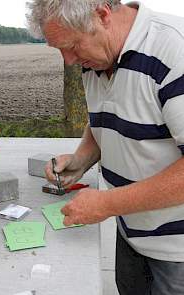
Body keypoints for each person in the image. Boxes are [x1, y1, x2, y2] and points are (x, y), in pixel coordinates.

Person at [26, 1, 184, 294]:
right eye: (59, 50)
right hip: (130, 231)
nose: (69, 60)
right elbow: (108, 115)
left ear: (101, 15)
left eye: (72, 46)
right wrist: (81, 159)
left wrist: (108, 204)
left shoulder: (175, 51)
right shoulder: (96, 58)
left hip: (177, 252)